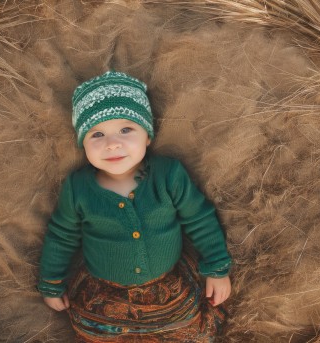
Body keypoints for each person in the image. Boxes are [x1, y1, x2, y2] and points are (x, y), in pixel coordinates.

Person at [38, 71, 232, 342]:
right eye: (97, 134)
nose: (112, 143)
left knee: (187, 328)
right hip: (104, 291)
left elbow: (199, 219)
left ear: (148, 136)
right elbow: (62, 235)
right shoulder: (78, 188)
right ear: (83, 143)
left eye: (126, 129)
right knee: (91, 329)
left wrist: (217, 269)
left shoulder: (168, 175)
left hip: (166, 286)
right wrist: (51, 283)